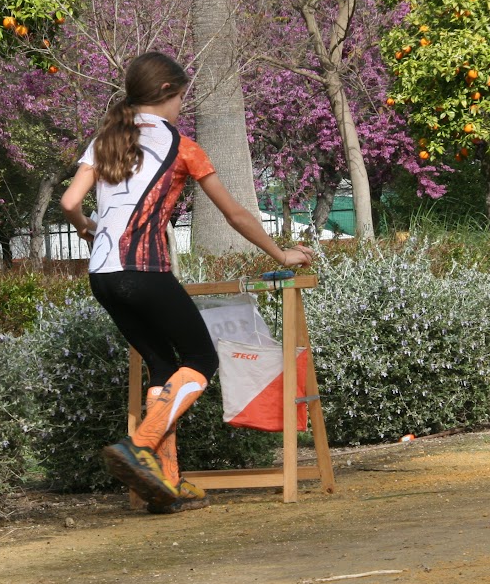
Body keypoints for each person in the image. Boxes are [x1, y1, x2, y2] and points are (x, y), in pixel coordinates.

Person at [60, 51, 312, 513]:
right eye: (181, 98)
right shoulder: (183, 147)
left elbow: (69, 201)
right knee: (200, 359)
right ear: (166, 93)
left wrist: (87, 228)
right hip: (144, 271)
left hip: (102, 276)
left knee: (162, 366)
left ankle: (165, 486)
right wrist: (282, 254)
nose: (181, 107)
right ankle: (140, 446)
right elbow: (235, 214)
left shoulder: (106, 139)